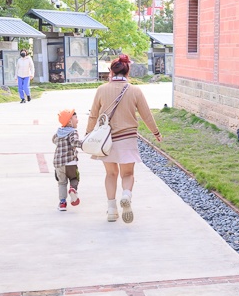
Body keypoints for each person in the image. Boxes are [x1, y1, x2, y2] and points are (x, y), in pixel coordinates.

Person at [87, 54, 161, 223]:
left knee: (111, 174)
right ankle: (126, 195)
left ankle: (112, 210)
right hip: (127, 138)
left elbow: (93, 116)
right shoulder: (135, 91)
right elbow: (146, 115)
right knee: (127, 174)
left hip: (106, 140)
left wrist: (88, 134)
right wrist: (156, 132)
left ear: (111, 72)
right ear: (128, 72)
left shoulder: (101, 90)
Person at [52, 109, 81, 211]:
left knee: (62, 183)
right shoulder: (73, 132)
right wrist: (83, 144)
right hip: (70, 162)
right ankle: (73, 189)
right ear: (69, 121)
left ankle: (62, 203)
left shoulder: (59, 132)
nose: (77, 120)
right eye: (76, 118)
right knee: (74, 178)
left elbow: (54, 139)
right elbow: (74, 142)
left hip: (58, 163)